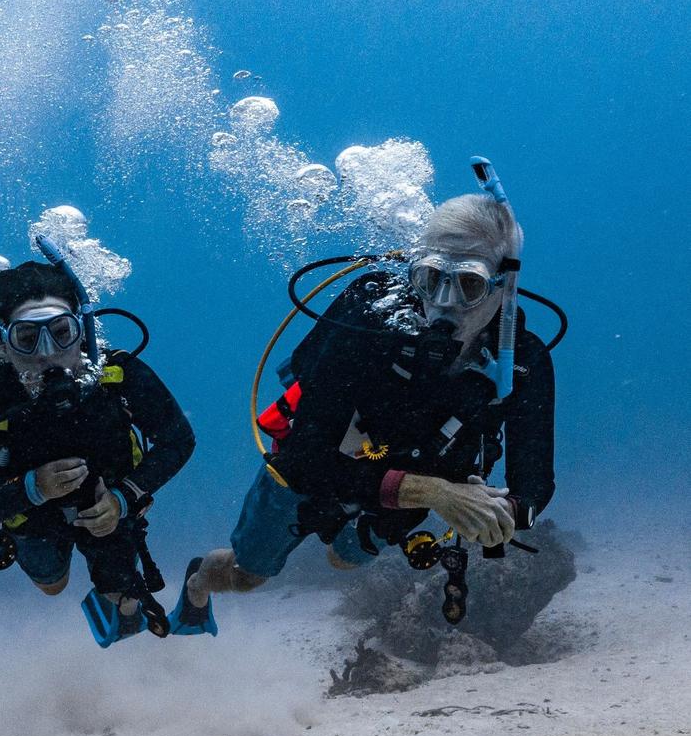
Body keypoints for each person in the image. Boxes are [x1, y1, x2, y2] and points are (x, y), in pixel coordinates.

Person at [182, 174, 556, 625]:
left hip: (413, 489)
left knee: (344, 559)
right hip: (321, 474)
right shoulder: (370, 319)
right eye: (430, 277)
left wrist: (507, 513)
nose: (443, 303)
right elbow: (305, 460)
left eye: (469, 285)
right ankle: (198, 583)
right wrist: (435, 492)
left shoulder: (523, 361)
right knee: (249, 575)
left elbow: (535, 481)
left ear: (503, 286)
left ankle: (360, 528)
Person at [0, 257, 205, 646]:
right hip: (28, 520)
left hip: (106, 508)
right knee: (52, 585)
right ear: (0, 342)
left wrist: (125, 497)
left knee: (123, 594)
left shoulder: (117, 373)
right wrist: (31, 490)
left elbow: (179, 439)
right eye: (27, 339)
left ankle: (125, 605)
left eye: (61, 332)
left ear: (83, 329)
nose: (48, 354)